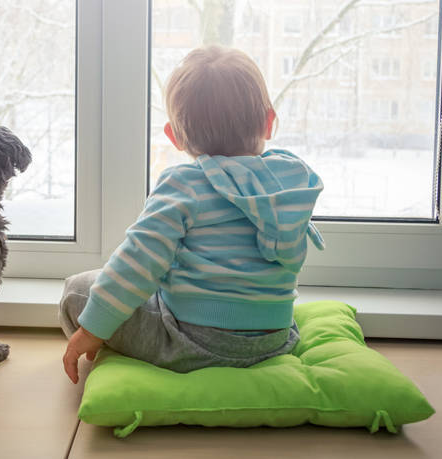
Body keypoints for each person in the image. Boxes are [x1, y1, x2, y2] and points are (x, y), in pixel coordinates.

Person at [60, 45, 325, 384]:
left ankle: (105, 345)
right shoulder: (292, 181)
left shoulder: (185, 184)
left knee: (76, 290)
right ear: (269, 122)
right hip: (274, 341)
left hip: (191, 342)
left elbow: (137, 262)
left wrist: (92, 328)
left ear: (174, 136)